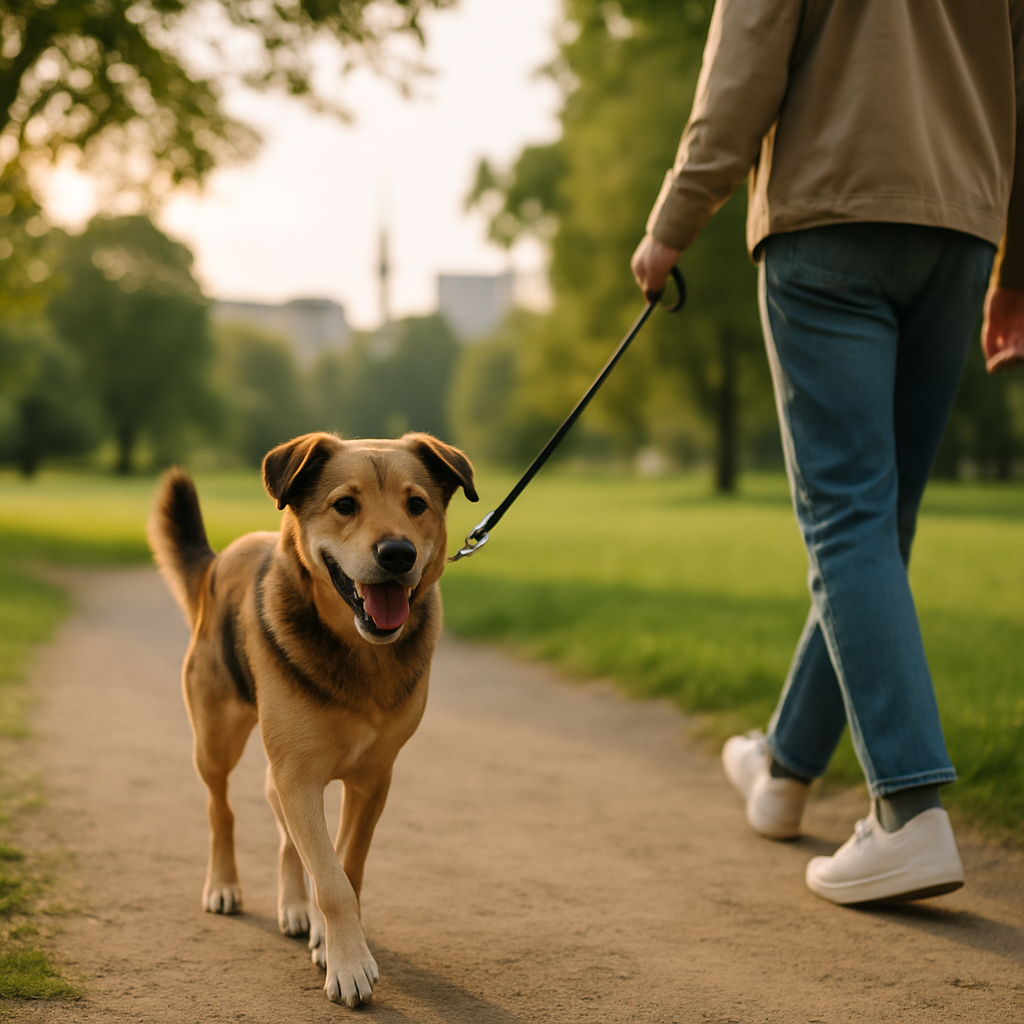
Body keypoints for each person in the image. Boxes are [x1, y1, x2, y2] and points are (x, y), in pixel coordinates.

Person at [631, 0, 1024, 905]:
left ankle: (909, 811)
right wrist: (1015, 268)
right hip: (959, 226)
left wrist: (671, 225)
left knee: (849, 521)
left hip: (828, 217)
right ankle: (784, 766)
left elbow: (743, 69)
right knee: (879, 524)